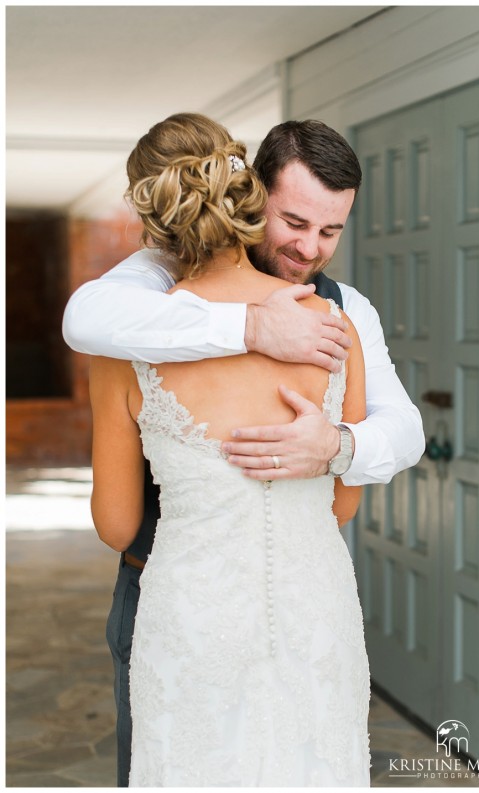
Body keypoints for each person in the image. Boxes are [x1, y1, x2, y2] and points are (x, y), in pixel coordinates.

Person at [63, 118, 424, 785]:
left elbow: (402, 430)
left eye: (330, 230)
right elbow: (82, 315)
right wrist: (252, 326)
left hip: (206, 598)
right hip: (215, 593)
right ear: (253, 195)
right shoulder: (142, 297)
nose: (309, 248)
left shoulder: (348, 312)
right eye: (294, 222)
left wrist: (336, 445)